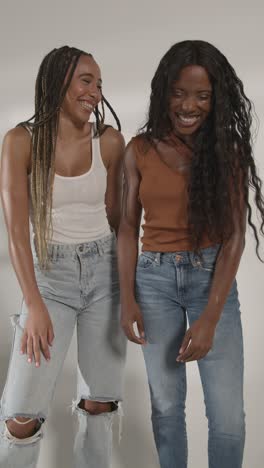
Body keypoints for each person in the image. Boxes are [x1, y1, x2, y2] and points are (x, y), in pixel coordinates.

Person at [117, 40, 264, 468]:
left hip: (210, 279)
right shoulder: (138, 150)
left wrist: (210, 317)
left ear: (216, 100)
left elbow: (235, 236)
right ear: (164, 90)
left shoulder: (227, 151)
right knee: (166, 409)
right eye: (179, 92)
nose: (189, 105)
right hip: (154, 282)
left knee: (227, 419)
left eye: (202, 95)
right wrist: (128, 298)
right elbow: (127, 227)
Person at [0, 45, 126, 468]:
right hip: (50, 276)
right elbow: (17, 231)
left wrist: (129, 288)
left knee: (100, 403)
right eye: (85, 80)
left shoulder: (109, 142)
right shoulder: (21, 141)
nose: (94, 91)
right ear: (58, 83)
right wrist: (33, 303)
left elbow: (120, 221)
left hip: (104, 275)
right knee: (21, 412)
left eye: (99, 83)